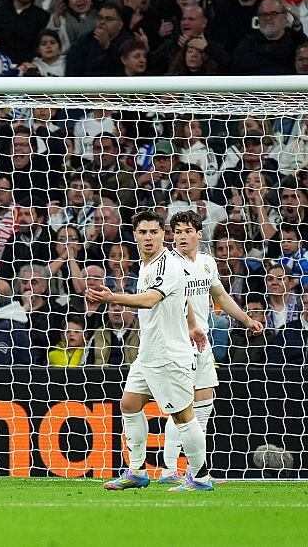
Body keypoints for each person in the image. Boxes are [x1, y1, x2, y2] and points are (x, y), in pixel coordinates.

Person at [86, 211, 213, 492]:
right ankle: (137, 472)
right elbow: (184, 300)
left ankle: (201, 479)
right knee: (129, 405)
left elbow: (150, 300)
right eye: (143, 232)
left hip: (170, 355)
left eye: (154, 232)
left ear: (163, 235)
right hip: (148, 353)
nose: (148, 237)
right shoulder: (146, 266)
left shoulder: (167, 265)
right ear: (135, 236)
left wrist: (112, 297)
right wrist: (193, 325)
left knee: (183, 416)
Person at [160, 210, 264, 484]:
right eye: (177, 232)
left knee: (203, 407)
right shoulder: (168, 263)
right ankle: (170, 470)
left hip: (202, 344)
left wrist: (246, 320)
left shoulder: (207, 263)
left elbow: (220, 295)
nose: (181, 236)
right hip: (178, 344)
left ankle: (197, 469)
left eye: (186, 231)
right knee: (182, 408)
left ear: (198, 234)